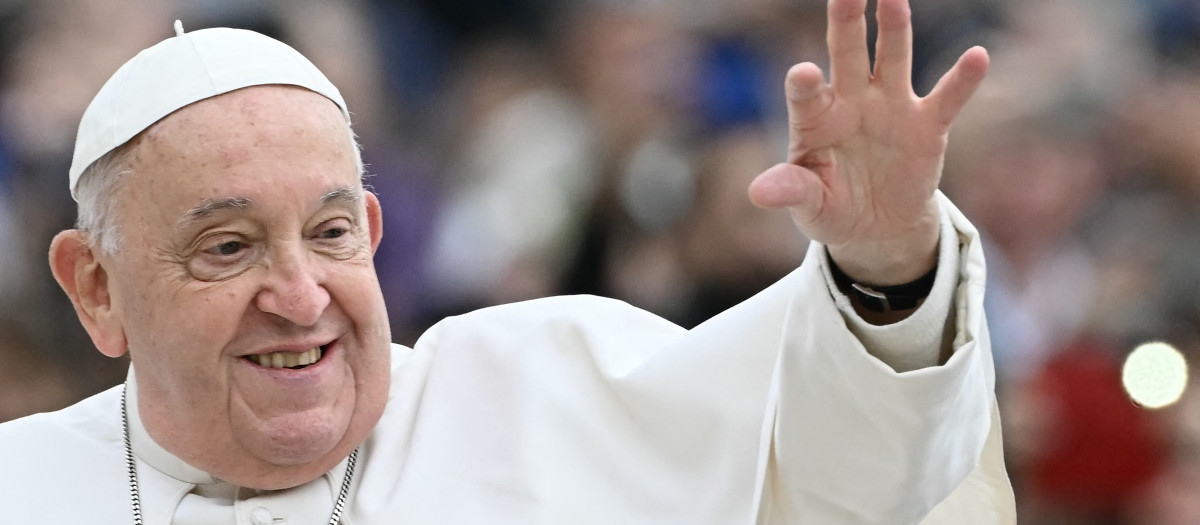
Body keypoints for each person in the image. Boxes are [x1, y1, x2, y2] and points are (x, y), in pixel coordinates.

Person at [0, 0, 1015, 523]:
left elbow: (857, 478)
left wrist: (887, 262)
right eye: (228, 247)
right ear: (97, 287)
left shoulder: (549, 383)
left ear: (377, 237)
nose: (300, 295)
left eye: (330, 232)